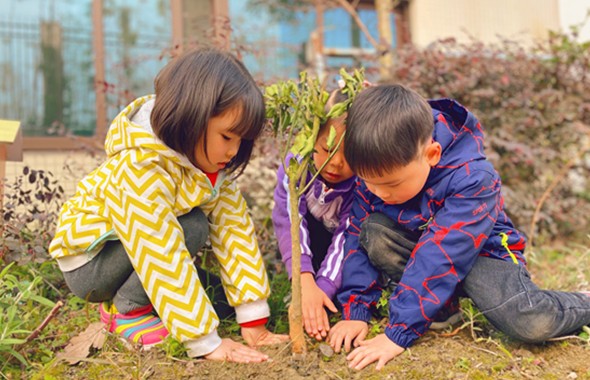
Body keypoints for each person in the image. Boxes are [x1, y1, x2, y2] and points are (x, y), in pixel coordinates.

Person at [49, 47, 288, 363]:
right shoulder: (138, 167)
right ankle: (127, 312)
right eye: (227, 136)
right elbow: (157, 247)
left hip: (131, 252)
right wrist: (206, 343)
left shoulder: (207, 166)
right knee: (192, 225)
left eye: (241, 141)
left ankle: (139, 302)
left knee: (218, 303)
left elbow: (235, 232)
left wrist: (252, 318)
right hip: (91, 263)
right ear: (191, 116)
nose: (234, 151)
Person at [327, 84, 590, 370]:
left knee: (528, 322)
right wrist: (357, 309)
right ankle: (444, 308)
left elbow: (441, 254)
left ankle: (584, 302)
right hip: (422, 249)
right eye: (367, 183)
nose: (379, 193)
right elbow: (354, 240)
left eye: (391, 185)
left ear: (432, 154)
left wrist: (398, 333)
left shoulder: (474, 179)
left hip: (481, 255)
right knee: (372, 231)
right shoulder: (377, 168)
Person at [272, 89, 356, 341]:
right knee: (298, 229)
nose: (335, 163)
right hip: (309, 239)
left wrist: (323, 289)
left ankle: (336, 291)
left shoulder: (362, 184)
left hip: (341, 248)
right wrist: (304, 282)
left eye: (349, 155)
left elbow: (346, 238)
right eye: (326, 149)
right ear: (311, 137)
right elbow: (288, 222)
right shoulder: (295, 167)